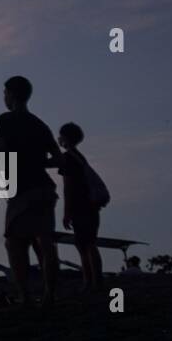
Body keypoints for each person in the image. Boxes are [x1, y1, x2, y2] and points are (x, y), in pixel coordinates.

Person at [0, 76, 61, 306]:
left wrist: (2, 180)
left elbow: (0, 151)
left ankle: (26, 296)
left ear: (11, 94)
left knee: (15, 243)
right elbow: (59, 160)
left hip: (22, 190)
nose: (4, 97)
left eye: (4, 93)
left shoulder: (5, 120)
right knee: (45, 241)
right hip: (44, 189)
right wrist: (37, 163)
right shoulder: (40, 124)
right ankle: (50, 294)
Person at [57, 122, 104, 292]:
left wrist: (66, 211)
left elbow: (67, 187)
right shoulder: (79, 157)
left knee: (84, 245)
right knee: (90, 243)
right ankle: (95, 280)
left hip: (79, 206)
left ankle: (89, 280)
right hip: (91, 206)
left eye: (61, 135)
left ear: (66, 138)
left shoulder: (68, 158)